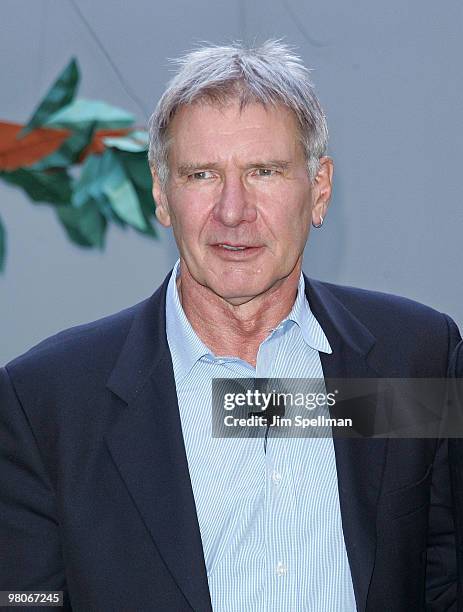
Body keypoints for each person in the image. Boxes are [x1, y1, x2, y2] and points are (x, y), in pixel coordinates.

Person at [0, 40, 461, 611]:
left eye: (264, 171)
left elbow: (444, 580)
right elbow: (24, 601)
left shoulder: (414, 357)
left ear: (318, 190)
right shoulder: (46, 401)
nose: (233, 210)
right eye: (201, 175)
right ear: (162, 195)